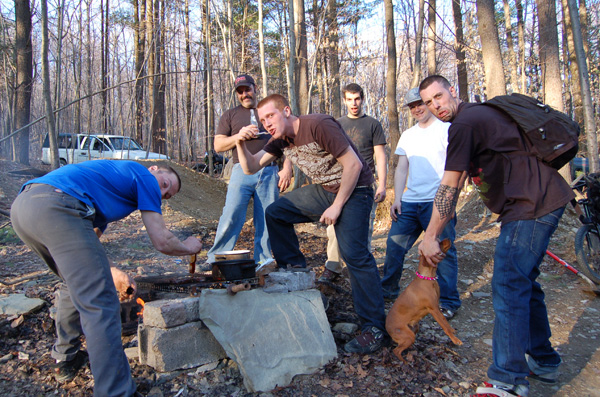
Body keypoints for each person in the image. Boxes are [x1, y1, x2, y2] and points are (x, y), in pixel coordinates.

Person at [417, 75, 573, 397]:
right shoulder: (472, 120)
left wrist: (430, 235)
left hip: (532, 204)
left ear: (452, 92)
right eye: (429, 102)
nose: (436, 106)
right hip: (538, 200)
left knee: (507, 282)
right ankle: (543, 360)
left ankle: (507, 379)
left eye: (439, 97)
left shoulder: (465, 123)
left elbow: (449, 186)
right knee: (522, 283)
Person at [10, 160, 203, 397]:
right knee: (101, 303)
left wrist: (113, 271)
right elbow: (162, 240)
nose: (161, 193)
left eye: (166, 195)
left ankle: (65, 359)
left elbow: (91, 245)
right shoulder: (142, 175)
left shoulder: (107, 191)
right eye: (164, 184)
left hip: (25, 208)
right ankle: (116, 392)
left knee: (74, 284)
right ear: (153, 168)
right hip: (58, 205)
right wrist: (188, 247)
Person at [234, 93, 388, 354]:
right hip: (326, 189)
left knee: (355, 255)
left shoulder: (318, 125)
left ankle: (374, 328)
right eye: (262, 120)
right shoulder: (279, 140)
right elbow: (249, 167)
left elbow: (354, 164)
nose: (267, 123)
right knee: (276, 212)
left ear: (286, 110)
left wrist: (337, 206)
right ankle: (294, 270)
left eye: (271, 115)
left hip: (356, 188)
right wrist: (239, 141)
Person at [380, 87, 461, 319]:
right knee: (394, 246)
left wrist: (451, 199)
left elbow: (456, 166)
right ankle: (387, 290)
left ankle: (448, 301)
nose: (416, 109)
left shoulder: (447, 129)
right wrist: (398, 198)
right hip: (410, 203)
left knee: (442, 251)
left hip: (437, 202)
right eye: (412, 106)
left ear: (429, 103)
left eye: (420, 104)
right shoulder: (408, 135)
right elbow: (402, 167)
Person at [206, 74, 292, 265]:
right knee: (231, 214)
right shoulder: (230, 115)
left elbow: (287, 139)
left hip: (270, 171)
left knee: (267, 219)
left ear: (255, 87)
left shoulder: (268, 112)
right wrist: (238, 137)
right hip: (240, 171)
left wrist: (286, 168)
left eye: (247, 89)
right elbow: (218, 146)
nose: (245, 94)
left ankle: (263, 261)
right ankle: (216, 259)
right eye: (240, 91)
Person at [319, 83, 387, 283]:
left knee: (363, 229)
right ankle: (333, 267)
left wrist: (382, 184)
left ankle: (361, 271)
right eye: (349, 99)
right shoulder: (337, 124)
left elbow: (380, 156)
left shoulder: (373, 124)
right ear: (345, 100)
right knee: (333, 228)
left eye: (357, 98)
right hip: (340, 183)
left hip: (365, 185)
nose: (354, 103)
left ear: (362, 99)